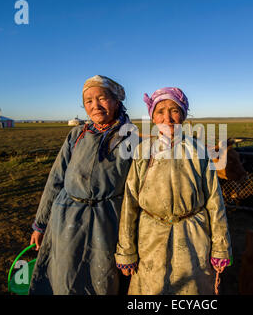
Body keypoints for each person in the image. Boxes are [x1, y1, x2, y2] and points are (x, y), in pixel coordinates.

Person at [114, 87, 232, 295]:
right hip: (150, 236)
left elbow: (215, 202)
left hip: (193, 236)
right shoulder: (143, 150)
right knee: (151, 290)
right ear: (153, 117)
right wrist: (126, 251)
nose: (167, 117)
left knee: (192, 290)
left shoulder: (198, 151)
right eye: (160, 111)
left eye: (174, 110)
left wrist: (220, 247)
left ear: (183, 115)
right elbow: (130, 203)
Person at [28, 75, 133, 294]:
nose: (95, 105)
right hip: (66, 216)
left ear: (116, 102)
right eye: (88, 101)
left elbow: (137, 189)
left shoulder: (130, 138)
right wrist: (40, 224)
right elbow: (55, 180)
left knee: (102, 278)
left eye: (102, 98)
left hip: (107, 221)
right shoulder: (76, 135)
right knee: (63, 276)